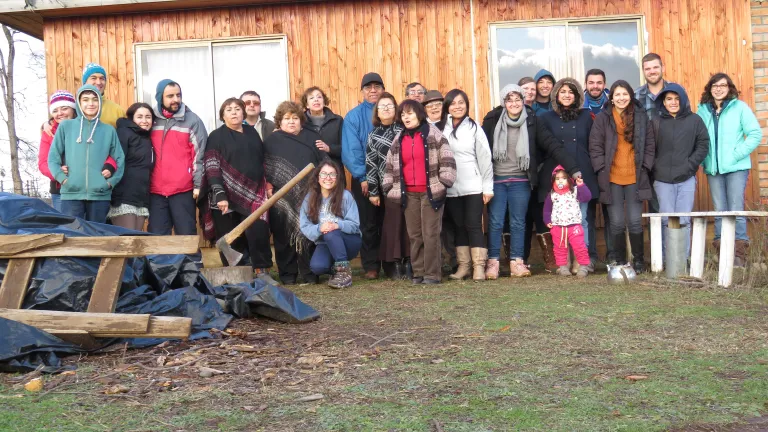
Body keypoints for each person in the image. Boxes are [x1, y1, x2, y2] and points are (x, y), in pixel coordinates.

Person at [482, 84, 581, 279]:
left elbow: (553, 145)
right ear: (503, 102)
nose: (514, 103)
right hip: (497, 180)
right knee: (495, 222)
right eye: (509, 100)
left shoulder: (532, 121)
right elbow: (482, 149)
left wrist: (573, 169)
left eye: (517, 99)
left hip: (521, 180)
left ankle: (517, 262)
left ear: (523, 100)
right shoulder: (492, 119)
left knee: (519, 222)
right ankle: (492, 262)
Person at [382, 100, 456, 285]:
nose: (406, 117)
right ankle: (419, 273)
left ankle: (432, 275)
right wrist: (389, 187)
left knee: (430, 234)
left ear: (419, 114)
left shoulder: (433, 134)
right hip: (409, 195)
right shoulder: (399, 139)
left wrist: (444, 182)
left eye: (410, 113)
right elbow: (389, 166)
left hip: (430, 192)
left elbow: (447, 159)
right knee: (415, 235)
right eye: (403, 114)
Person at [198, 98, 274, 277]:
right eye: (229, 109)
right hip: (225, 196)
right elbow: (211, 166)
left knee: (258, 231)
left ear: (243, 113)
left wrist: (267, 184)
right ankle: (238, 274)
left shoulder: (251, 132)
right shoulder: (216, 136)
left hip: (255, 194)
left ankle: (262, 271)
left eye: (238, 109)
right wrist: (220, 194)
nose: (234, 112)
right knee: (230, 236)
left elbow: (262, 160)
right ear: (222, 115)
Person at [589, 80, 656, 271]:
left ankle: (639, 261)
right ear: (611, 98)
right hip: (611, 177)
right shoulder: (603, 118)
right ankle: (617, 260)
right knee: (617, 222)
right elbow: (595, 146)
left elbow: (650, 144)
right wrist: (601, 169)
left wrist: (645, 167)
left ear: (631, 96)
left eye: (625, 94)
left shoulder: (641, 117)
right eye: (617, 95)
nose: (621, 98)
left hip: (636, 176)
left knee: (635, 222)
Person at [698, 73, 761, 267]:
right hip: (713, 169)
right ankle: (722, 253)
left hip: (736, 168)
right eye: (714, 85)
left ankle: (739, 256)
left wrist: (735, 155)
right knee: (719, 210)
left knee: (735, 209)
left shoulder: (740, 107)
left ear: (729, 88)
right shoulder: (703, 110)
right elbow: (698, 137)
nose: (718, 88)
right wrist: (704, 160)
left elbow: (755, 134)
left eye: (722, 85)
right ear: (710, 88)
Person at [539, 78, 598, 273]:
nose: (566, 95)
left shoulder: (585, 117)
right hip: (559, 175)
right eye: (562, 91)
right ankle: (564, 260)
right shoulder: (546, 118)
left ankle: (582, 260)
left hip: (582, 172)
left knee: (581, 218)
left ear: (577, 95)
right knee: (562, 220)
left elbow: (593, 143)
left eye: (571, 92)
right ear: (556, 94)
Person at [264, 101, 326, 285]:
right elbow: (265, 166)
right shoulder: (271, 141)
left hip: (310, 194)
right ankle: (287, 274)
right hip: (281, 196)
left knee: (308, 233)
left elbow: (324, 163)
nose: (291, 122)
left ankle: (309, 273)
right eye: (287, 118)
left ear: (301, 120)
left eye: (295, 118)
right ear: (279, 122)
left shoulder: (312, 138)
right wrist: (268, 185)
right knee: (283, 235)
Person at [651, 84, 710, 265]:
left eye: (677, 99)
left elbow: (703, 144)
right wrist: (655, 167)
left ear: (683, 100)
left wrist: (689, 165)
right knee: (665, 220)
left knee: (684, 219)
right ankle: (667, 260)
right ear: (663, 101)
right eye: (669, 99)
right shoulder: (655, 121)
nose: (673, 102)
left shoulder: (695, 120)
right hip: (662, 180)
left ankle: (682, 260)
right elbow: (648, 148)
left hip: (686, 178)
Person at [48, 84, 125, 222]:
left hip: (100, 195)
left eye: (95, 99)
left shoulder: (108, 130)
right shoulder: (66, 126)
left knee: (97, 239)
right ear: (79, 103)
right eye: (85, 99)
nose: (91, 103)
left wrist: (110, 183)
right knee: (73, 238)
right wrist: (63, 179)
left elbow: (120, 159)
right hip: (71, 195)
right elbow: (53, 158)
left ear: (100, 102)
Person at [439, 89, 493, 281]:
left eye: (461, 102)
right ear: (447, 107)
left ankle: (479, 267)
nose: (457, 106)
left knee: (473, 225)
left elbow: (485, 157)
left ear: (466, 105)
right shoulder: (441, 128)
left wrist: (488, 186)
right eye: (453, 103)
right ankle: (464, 266)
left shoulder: (474, 128)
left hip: (473, 185)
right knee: (459, 226)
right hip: (451, 187)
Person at [148, 79, 208, 236]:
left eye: (178, 95)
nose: (176, 99)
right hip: (155, 191)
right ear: (160, 97)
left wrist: (198, 184)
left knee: (186, 234)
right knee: (157, 236)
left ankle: (191, 262)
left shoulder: (192, 120)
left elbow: (200, 156)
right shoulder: (151, 120)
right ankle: (159, 262)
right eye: (170, 96)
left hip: (183, 190)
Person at [342, 72, 385, 280]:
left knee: (390, 221)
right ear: (362, 91)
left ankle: (391, 263)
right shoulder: (353, 116)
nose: (373, 90)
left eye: (377, 86)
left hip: (390, 178)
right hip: (364, 179)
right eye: (368, 87)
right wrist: (362, 176)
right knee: (368, 223)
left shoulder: (390, 111)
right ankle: (371, 265)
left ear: (383, 90)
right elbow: (351, 150)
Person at [366, 92, 410, 279]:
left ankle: (410, 261)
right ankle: (393, 264)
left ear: (396, 108)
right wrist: (373, 191)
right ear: (377, 111)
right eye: (382, 106)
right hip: (389, 187)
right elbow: (371, 164)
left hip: (410, 185)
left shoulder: (405, 129)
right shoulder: (373, 135)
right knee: (392, 225)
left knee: (409, 225)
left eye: (390, 105)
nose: (386, 109)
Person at [300, 160, 362, 289]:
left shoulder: (346, 196)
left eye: (332, 174)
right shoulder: (309, 198)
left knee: (331, 232)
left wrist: (336, 224)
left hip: (349, 241)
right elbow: (304, 226)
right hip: (325, 242)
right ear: (318, 177)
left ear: (337, 178)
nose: (328, 178)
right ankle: (336, 271)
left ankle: (344, 273)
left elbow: (354, 225)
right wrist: (319, 228)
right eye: (324, 174)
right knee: (317, 267)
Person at [108, 103, 155, 230]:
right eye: (139, 117)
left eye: (148, 117)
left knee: (136, 242)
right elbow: (115, 160)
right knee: (128, 242)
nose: (144, 121)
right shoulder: (124, 133)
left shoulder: (147, 138)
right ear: (132, 119)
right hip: (124, 197)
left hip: (141, 198)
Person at [543, 166, 592, 278]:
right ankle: (563, 267)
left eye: (563, 178)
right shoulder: (552, 194)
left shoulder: (574, 191)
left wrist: (581, 185)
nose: (560, 180)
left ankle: (583, 267)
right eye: (557, 178)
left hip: (574, 226)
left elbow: (586, 197)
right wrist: (547, 220)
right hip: (558, 227)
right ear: (553, 180)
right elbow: (547, 210)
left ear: (569, 180)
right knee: (559, 248)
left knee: (580, 247)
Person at [302, 86, 343, 165]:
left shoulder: (337, 120)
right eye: (311, 98)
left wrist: (329, 148)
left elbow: (346, 148)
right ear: (307, 104)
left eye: (319, 97)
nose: (316, 99)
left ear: (324, 102)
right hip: (309, 172)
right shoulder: (300, 123)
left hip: (333, 171)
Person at [635, 53, 674, 121]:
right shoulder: (636, 96)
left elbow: (687, 119)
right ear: (643, 71)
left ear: (663, 68)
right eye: (648, 69)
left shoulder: (676, 91)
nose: (652, 71)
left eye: (655, 67)